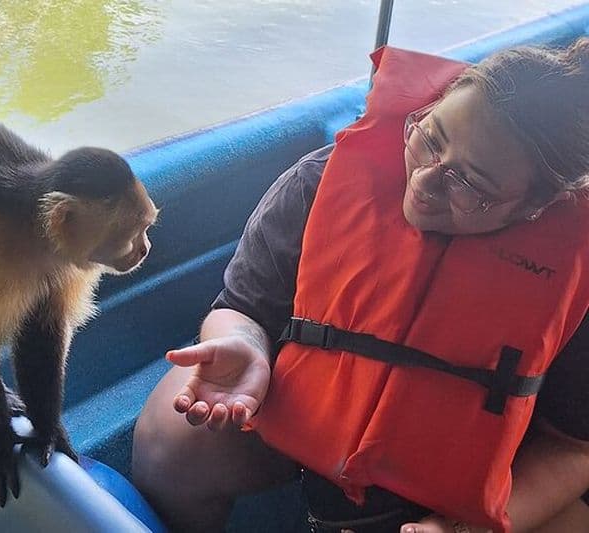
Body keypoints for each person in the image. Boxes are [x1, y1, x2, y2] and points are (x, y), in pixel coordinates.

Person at [132, 37, 589, 533]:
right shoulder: (319, 183)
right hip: (314, 414)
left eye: (470, 184)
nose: (425, 182)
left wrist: (466, 527)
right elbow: (242, 306)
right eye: (430, 138)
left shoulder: (576, 277)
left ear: (535, 208)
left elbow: (573, 449)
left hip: (473, 468)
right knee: (170, 433)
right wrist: (245, 344)